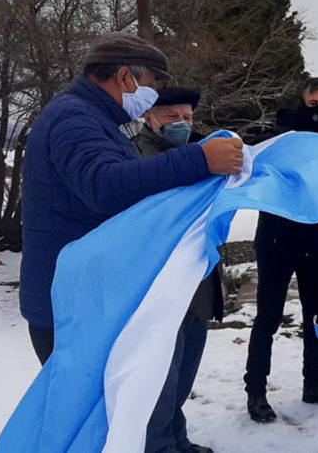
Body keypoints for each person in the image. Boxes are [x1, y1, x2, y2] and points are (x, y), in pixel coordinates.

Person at [19, 32, 244, 366]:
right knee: (97, 418)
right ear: (125, 76)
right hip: (72, 308)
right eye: (150, 84)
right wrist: (199, 160)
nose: (151, 96)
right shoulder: (75, 118)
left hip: (82, 298)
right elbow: (104, 187)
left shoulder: (93, 118)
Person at [243, 77, 318, 424]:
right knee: (268, 318)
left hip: (315, 240)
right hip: (276, 241)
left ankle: (314, 384)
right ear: (302, 102)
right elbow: (251, 154)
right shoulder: (280, 136)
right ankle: (256, 392)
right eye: (314, 104)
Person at [133, 87, 222, 453]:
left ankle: (177, 441)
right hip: (162, 289)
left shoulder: (201, 157)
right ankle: (158, 447)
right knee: (159, 385)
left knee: (181, 381)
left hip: (196, 287)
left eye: (187, 118)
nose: (182, 125)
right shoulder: (138, 158)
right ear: (149, 118)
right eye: (172, 117)